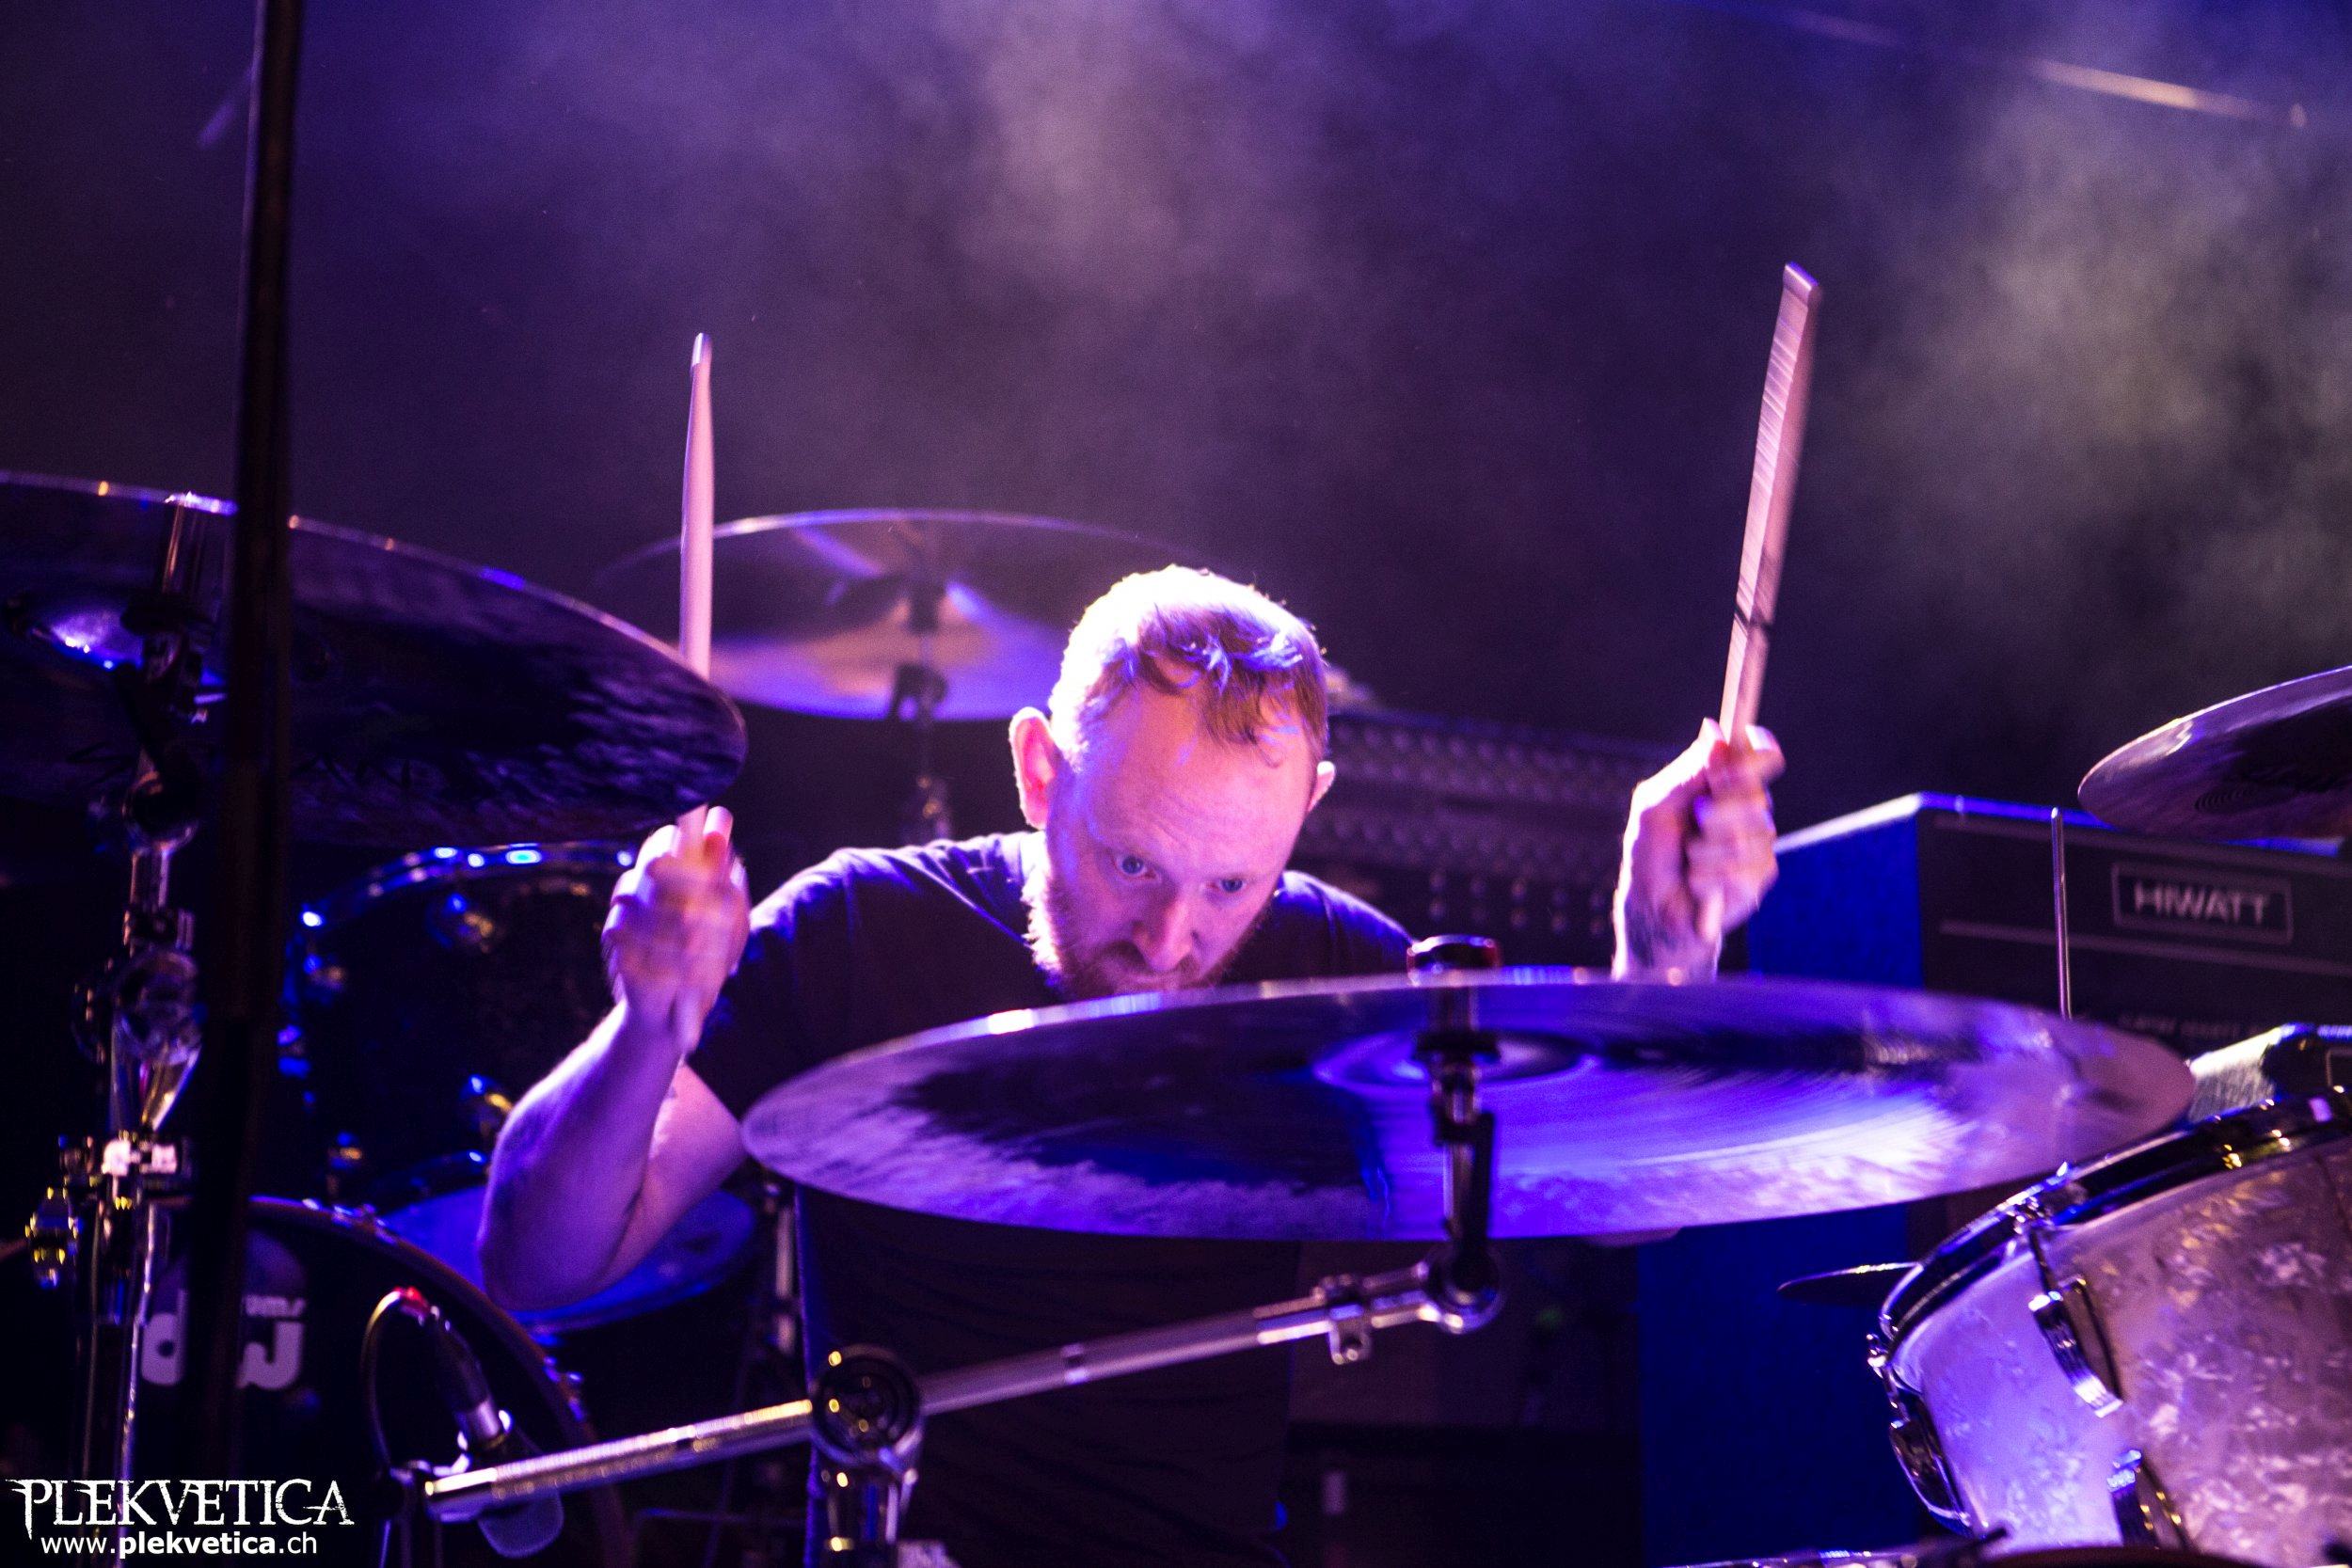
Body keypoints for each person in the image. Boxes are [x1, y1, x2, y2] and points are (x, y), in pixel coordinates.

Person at [480, 566, 1782, 1567]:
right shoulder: (856, 929)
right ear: (1038, 770)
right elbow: (535, 1264)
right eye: (1133, 864)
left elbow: (1616, 1213)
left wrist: (1663, 962)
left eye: (1232, 885)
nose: (1171, 941)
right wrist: (647, 1027)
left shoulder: (1327, 963)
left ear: (1308, 808)